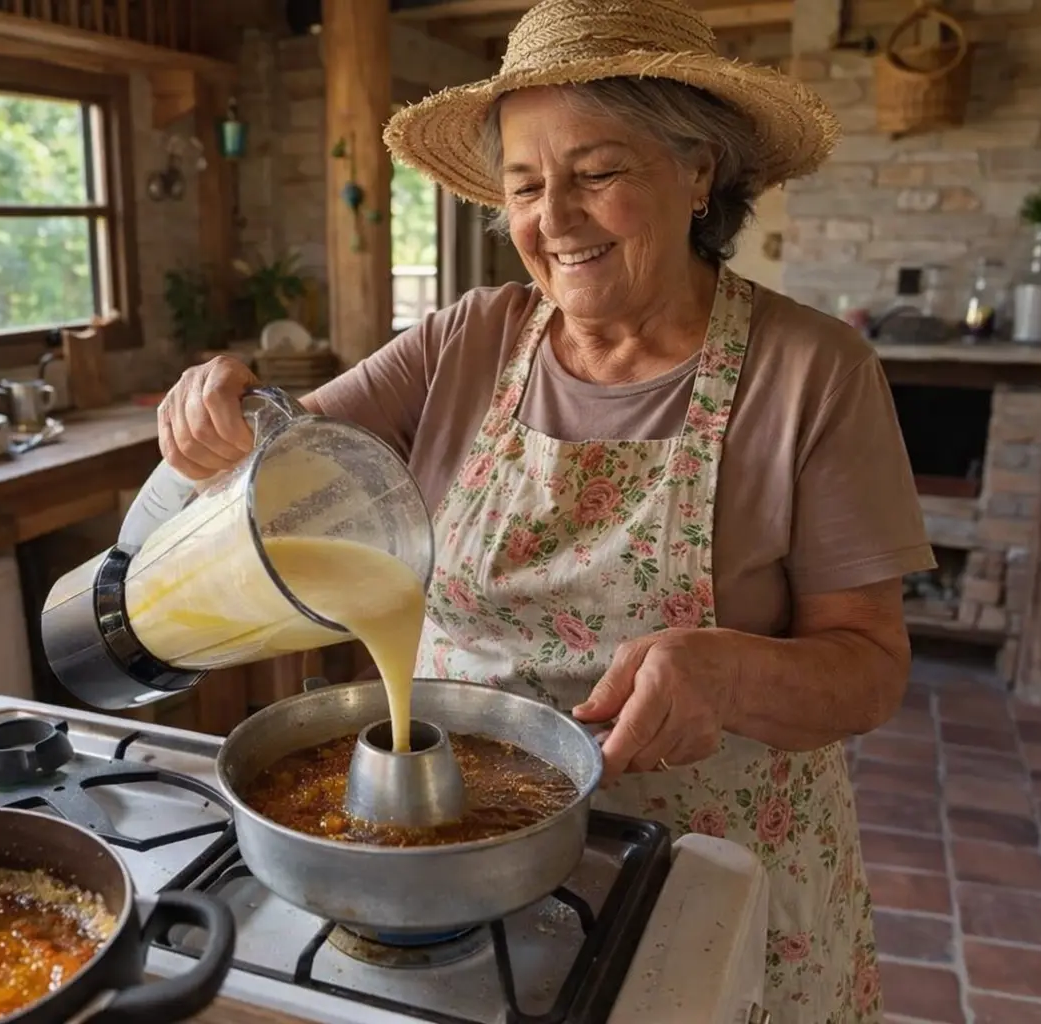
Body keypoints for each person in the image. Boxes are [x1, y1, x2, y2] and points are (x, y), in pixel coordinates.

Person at [156, 0, 934, 1018]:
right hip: (449, 865)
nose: (554, 218)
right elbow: (294, 455)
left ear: (699, 173)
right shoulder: (466, 339)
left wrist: (734, 673)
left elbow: (870, 668)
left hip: (709, 873)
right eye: (526, 185)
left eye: (598, 173)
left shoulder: (813, 372)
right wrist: (227, 413)